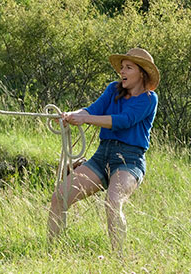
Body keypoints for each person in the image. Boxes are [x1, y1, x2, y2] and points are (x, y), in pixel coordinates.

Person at [47, 48, 159, 253]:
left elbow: (124, 121)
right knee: (60, 196)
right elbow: (92, 110)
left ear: (141, 73)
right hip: (102, 156)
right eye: (122, 67)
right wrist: (73, 115)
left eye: (128, 68)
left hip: (130, 160)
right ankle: (51, 253)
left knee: (113, 202)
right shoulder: (112, 90)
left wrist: (85, 118)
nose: (122, 72)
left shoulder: (150, 99)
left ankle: (118, 259)